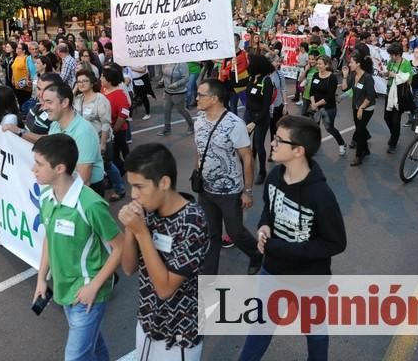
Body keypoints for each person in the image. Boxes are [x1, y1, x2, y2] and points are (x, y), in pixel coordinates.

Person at [239, 115, 346, 361]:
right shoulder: (275, 176)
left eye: (278, 140)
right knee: (261, 326)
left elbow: (336, 243)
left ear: (298, 151)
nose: (272, 144)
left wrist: (283, 248)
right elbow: (269, 208)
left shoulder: (321, 195)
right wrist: (264, 226)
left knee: (314, 331)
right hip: (272, 271)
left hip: (310, 281)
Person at [32, 134, 123, 361]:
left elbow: (120, 248)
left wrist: (94, 286)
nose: (34, 169)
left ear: (60, 168)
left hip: (88, 293)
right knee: (93, 344)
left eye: (40, 164)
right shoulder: (46, 198)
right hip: (65, 290)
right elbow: (49, 238)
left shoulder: (90, 204)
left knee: (75, 357)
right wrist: (42, 277)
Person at [118, 144, 210, 361]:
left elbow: (165, 289)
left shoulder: (192, 222)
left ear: (165, 182)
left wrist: (141, 233)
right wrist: (131, 229)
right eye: (131, 186)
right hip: (148, 322)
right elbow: (129, 268)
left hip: (179, 334)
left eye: (140, 186)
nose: (134, 195)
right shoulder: (148, 212)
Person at [194, 78, 262, 275]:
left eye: (201, 95)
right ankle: (208, 277)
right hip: (206, 190)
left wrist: (247, 191)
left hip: (230, 191)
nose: (197, 98)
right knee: (211, 233)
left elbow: (247, 159)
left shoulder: (234, 124)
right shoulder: (199, 121)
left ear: (214, 99)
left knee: (235, 232)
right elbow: (199, 150)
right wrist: (197, 173)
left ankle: (256, 253)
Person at [42, 83, 107, 196]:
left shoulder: (83, 132)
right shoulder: (55, 125)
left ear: (65, 103)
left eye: (49, 102)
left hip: (83, 194)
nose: (44, 107)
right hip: (65, 188)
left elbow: (84, 180)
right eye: (44, 102)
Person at [74, 70, 126, 201]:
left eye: (84, 81)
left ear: (92, 83)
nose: (81, 84)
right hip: (85, 141)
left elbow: (105, 124)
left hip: (100, 139)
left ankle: (120, 188)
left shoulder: (100, 99)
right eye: (79, 81)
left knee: (107, 164)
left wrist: (103, 143)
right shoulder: (78, 99)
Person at [244, 54, 275, 185]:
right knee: (244, 143)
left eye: (250, 62)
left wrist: (254, 123)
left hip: (260, 117)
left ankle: (262, 172)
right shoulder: (251, 78)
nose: (248, 65)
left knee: (258, 144)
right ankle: (247, 165)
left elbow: (265, 106)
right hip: (248, 114)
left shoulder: (266, 81)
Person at [341, 52, 376, 166]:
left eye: (351, 62)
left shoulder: (367, 78)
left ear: (358, 64)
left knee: (360, 131)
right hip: (356, 106)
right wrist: (345, 75)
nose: (349, 64)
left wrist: (361, 107)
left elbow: (370, 96)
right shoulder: (352, 75)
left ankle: (358, 156)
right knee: (360, 128)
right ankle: (365, 149)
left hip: (367, 108)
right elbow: (345, 88)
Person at [308, 55, 346, 156]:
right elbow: (311, 91)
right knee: (314, 128)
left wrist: (316, 104)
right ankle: (314, 146)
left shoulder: (332, 78)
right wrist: (312, 103)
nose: (318, 66)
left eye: (320, 64)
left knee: (329, 128)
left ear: (327, 65)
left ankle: (341, 144)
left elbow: (329, 97)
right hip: (315, 107)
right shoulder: (316, 75)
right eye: (317, 64)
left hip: (328, 108)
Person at [101, 66, 131, 175]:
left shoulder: (120, 95)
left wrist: (114, 130)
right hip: (106, 130)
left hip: (117, 131)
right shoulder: (102, 90)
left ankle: (120, 172)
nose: (100, 79)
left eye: (102, 77)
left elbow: (123, 115)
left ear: (108, 80)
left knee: (114, 154)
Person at [383, 43, 412, 154]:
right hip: (389, 93)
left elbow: (409, 80)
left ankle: (393, 143)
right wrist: (386, 74)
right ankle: (394, 134)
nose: (390, 57)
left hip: (399, 96)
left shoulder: (406, 64)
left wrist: (396, 75)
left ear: (398, 54)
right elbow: (388, 75)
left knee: (396, 120)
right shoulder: (391, 62)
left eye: (392, 55)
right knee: (387, 117)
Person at [158, 61, 194, 136]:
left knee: (182, 110)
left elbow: (186, 78)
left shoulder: (182, 63)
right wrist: (162, 80)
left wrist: (176, 84)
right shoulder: (165, 61)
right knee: (166, 109)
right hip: (167, 91)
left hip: (179, 92)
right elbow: (164, 74)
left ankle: (191, 125)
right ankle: (167, 128)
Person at [268, 53, 287, 141]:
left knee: (275, 132)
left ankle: (273, 151)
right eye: (276, 62)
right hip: (266, 110)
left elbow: (283, 89)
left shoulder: (280, 74)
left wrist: (285, 105)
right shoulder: (263, 75)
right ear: (269, 62)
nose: (278, 64)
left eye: (279, 62)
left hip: (278, 107)